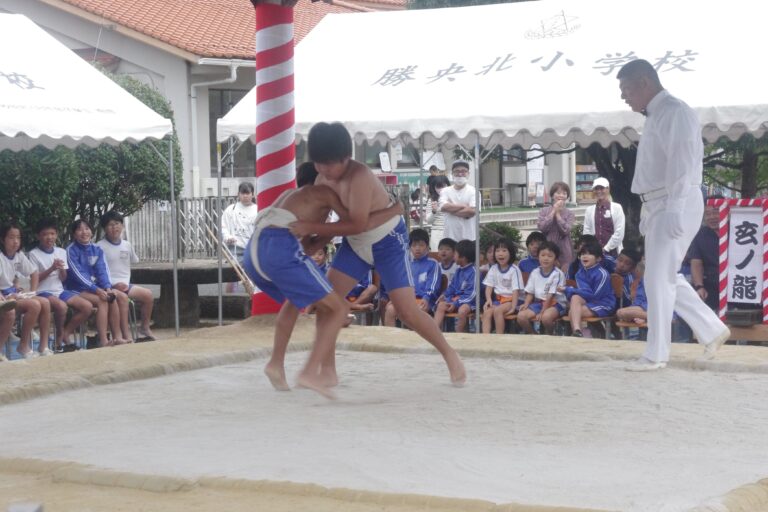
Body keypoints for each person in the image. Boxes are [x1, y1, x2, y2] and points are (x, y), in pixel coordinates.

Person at [290, 122, 466, 386]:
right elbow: (330, 222)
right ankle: (327, 370)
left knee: (407, 310)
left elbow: (358, 222)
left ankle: (450, 355)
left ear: (345, 158)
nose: (323, 170)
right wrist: (310, 244)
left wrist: (311, 228)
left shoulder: (359, 176)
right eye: (318, 163)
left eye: (329, 164)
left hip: (388, 241)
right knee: (328, 303)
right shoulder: (320, 179)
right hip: (354, 243)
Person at [244, 162, 401, 399]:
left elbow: (309, 244)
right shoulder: (323, 192)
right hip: (280, 248)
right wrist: (394, 209)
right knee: (337, 308)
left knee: (293, 301)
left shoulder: (290, 196)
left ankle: (275, 364)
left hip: (253, 251)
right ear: (322, 178)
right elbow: (355, 224)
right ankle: (310, 372)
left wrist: (321, 237)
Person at [617, 59, 730, 370]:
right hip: (659, 202)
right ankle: (711, 328)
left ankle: (656, 353)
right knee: (663, 276)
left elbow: (682, 164)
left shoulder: (674, 111)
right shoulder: (656, 114)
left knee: (657, 279)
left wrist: (675, 210)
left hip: (673, 201)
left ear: (643, 83)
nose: (624, 97)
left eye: (626, 89)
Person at [28, 218, 92, 352]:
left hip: (59, 290)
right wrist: (51, 268)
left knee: (87, 307)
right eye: (45, 234)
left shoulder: (61, 252)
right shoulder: (33, 254)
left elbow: (63, 278)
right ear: (38, 236)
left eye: (52, 234)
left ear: (56, 234)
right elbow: (35, 279)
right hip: (43, 292)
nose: (49, 237)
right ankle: (58, 341)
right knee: (61, 307)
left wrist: (61, 269)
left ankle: (65, 334)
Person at [97, 211, 155, 341]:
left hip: (125, 285)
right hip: (109, 286)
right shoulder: (99, 247)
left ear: (122, 226)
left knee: (148, 295)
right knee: (122, 299)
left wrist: (124, 283)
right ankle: (125, 334)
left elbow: (134, 261)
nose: (114, 227)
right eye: (110, 225)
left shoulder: (127, 245)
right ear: (105, 228)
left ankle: (144, 327)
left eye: (117, 224)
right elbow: (97, 272)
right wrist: (113, 285)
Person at [65, 219, 122, 348]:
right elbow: (78, 275)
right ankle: (103, 341)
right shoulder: (70, 250)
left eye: (87, 228)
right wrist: (96, 290)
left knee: (111, 297)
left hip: (93, 289)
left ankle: (118, 337)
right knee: (102, 300)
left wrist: (107, 287)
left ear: (91, 231)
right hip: (75, 289)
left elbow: (102, 270)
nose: (84, 232)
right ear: (74, 234)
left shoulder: (97, 249)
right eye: (79, 229)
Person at [0, 223, 52, 357]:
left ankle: (43, 346)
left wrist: (33, 292)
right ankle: (21, 346)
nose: (16, 241)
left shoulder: (19, 255)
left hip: (11, 294)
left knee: (44, 302)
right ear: (2, 239)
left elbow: (34, 273)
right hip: (3, 296)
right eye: (11, 237)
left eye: (18, 237)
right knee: (32, 305)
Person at [383, 228, 440, 327]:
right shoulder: (407, 264)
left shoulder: (433, 264)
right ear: (410, 248)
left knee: (415, 312)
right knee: (390, 310)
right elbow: (400, 285)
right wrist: (396, 299)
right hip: (407, 299)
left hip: (424, 300)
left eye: (421, 245)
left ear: (427, 247)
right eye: (414, 245)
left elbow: (433, 285)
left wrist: (426, 298)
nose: (417, 248)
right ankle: (392, 341)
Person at [561, 237, 616, 337]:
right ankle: (578, 331)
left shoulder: (602, 274)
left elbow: (594, 296)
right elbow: (584, 291)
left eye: (589, 254)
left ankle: (581, 337)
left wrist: (569, 290)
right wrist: (572, 292)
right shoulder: (579, 273)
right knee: (575, 298)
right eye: (582, 254)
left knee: (572, 313)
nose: (584, 256)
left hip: (604, 303)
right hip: (589, 301)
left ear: (598, 258)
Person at [516, 241, 567, 335]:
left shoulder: (557, 274)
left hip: (556, 303)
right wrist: (526, 304)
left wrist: (543, 311)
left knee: (546, 318)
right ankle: (534, 336)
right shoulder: (535, 272)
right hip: (539, 303)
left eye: (550, 256)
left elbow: (550, 296)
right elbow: (530, 292)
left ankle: (550, 336)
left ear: (555, 258)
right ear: (538, 256)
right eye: (543, 255)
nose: (546, 258)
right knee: (521, 316)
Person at [481, 238, 524, 334]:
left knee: (497, 311)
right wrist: (488, 300)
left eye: (504, 251)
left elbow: (516, 291)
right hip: (499, 301)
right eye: (497, 251)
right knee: (487, 313)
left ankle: (499, 337)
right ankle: (485, 338)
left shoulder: (514, 270)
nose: (500, 253)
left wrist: (513, 307)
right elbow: (489, 286)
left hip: (512, 300)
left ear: (511, 253)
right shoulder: (494, 268)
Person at [433, 239, 476, 333]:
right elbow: (452, 287)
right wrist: (445, 295)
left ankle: (458, 335)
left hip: (470, 302)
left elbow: (472, 294)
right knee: (441, 305)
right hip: (456, 300)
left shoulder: (474, 272)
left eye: (455, 253)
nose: (454, 256)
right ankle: (435, 332)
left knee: (462, 310)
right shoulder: (459, 270)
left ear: (463, 257)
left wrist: (456, 303)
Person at [687, 199, 721, 312]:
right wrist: (699, 286)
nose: (712, 217)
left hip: (738, 285)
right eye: (707, 214)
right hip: (710, 284)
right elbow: (696, 263)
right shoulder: (699, 235)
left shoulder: (739, 229)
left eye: (716, 212)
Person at [537, 181, 575, 273]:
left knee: (565, 275)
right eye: (558, 193)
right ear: (552, 195)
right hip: (548, 248)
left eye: (564, 193)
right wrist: (553, 211)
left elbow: (565, 230)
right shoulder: (543, 211)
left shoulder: (570, 213)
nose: (561, 195)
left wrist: (558, 215)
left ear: (567, 196)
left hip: (565, 249)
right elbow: (542, 227)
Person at [583, 177, 625, 257]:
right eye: (596, 189)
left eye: (602, 188)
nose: (599, 191)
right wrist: (592, 248)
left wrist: (606, 248)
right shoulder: (589, 210)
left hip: (613, 252)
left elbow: (619, 232)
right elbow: (586, 232)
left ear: (608, 189)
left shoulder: (617, 208)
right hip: (595, 253)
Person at [439, 160, 477, 242]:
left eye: (463, 171)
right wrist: (464, 206)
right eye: (457, 171)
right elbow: (443, 207)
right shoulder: (445, 191)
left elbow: (472, 212)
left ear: (468, 173)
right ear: (452, 174)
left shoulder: (474, 191)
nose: (460, 174)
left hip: (469, 238)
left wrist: (450, 210)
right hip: (449, 238)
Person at [221, 181, 258, 262]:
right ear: (238, 194)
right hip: (235, 249)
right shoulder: (231, 209)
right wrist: (227, 237)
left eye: (247, 193)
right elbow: (223, 227)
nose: (245, 196)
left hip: (253, 250)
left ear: (252, 194)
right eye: (242, 193)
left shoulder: (258, 210)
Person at [426, 175, 451, 250]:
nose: (441, 189)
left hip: (451, 231)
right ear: (434, 188)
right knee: (437, 256)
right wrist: (434, 211)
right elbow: (428, 221)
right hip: (437, 232)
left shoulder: (453, 199)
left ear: (448, 185)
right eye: (438, 187)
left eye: (443, 186)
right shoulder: (431, 201)